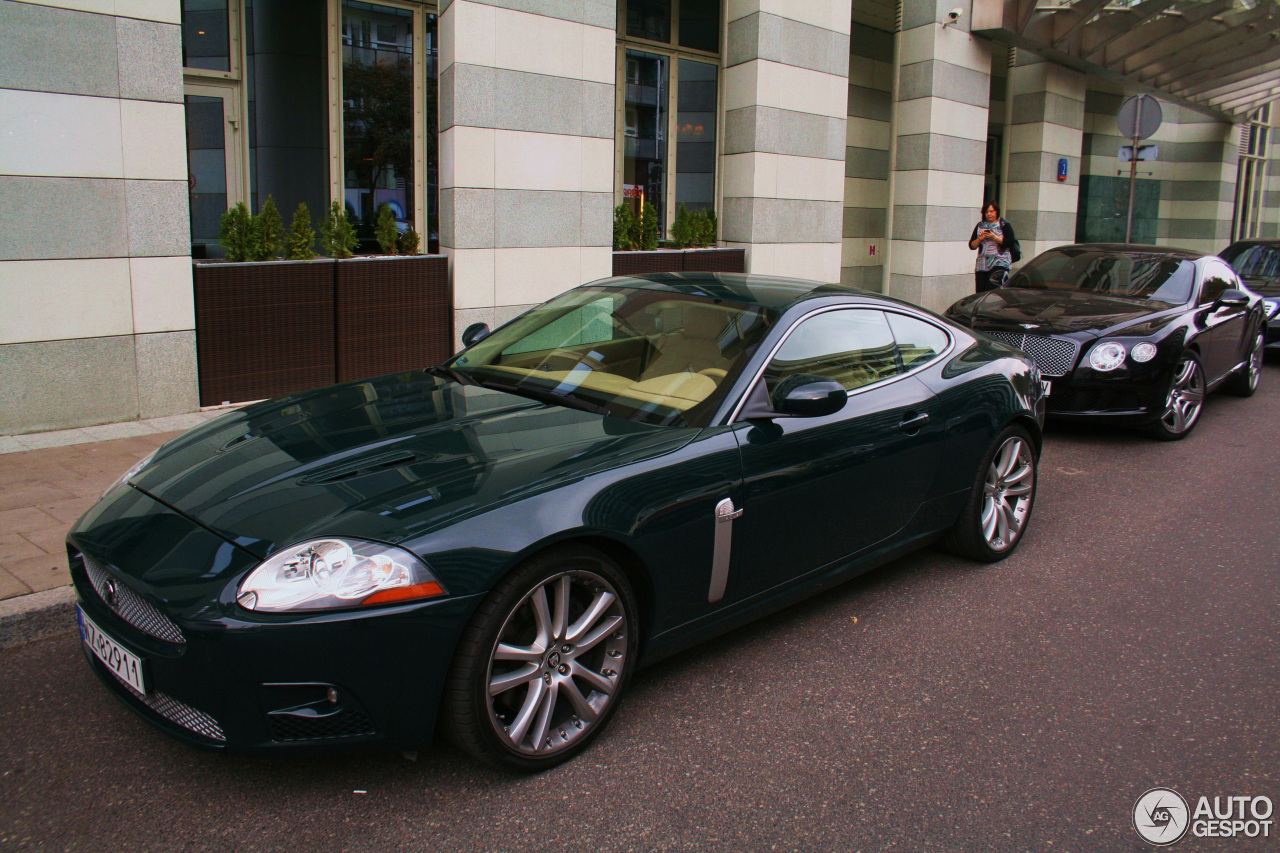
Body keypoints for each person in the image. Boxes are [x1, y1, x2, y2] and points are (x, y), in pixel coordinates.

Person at [969, 202, 1017, 293]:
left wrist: (994, 237)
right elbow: (972, 246)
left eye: (991, 211)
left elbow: (1010, 242)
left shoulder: (1004, 224)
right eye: (987, 212)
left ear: (996, 212)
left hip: (1000, 262)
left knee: (992, 291)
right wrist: (980, 238)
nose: (989, 214)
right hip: (982, 264)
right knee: (980, 292)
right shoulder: (980, 226)